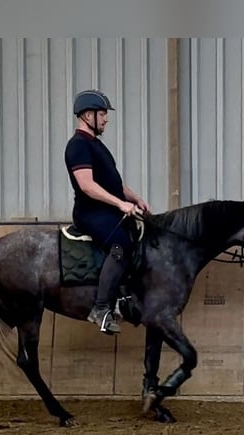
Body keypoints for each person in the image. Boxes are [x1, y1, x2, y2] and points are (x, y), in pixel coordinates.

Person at [64, 89, 150, 334]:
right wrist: (120, 204)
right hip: (91, 213)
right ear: (86, 115)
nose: (105, 119)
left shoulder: (97, 145)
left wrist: (136, 199)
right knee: (121, 246)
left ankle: (124, 297)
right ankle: (100, 309)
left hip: (107, 210)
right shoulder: (77, 146)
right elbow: (87, 186)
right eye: (101, 114)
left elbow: (115, 183)